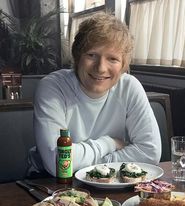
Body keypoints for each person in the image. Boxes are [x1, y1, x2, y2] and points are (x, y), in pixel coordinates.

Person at [29, 12, 162, 177]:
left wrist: (99, 168)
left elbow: (150, 152)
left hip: (111, 185)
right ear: (77, 57)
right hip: (49, 184)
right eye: (92, 55)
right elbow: (57, 163)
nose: (100, 68)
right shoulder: (53, 87)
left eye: (112, 59)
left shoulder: (129, 86)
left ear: (123, 66)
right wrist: (110, 143)